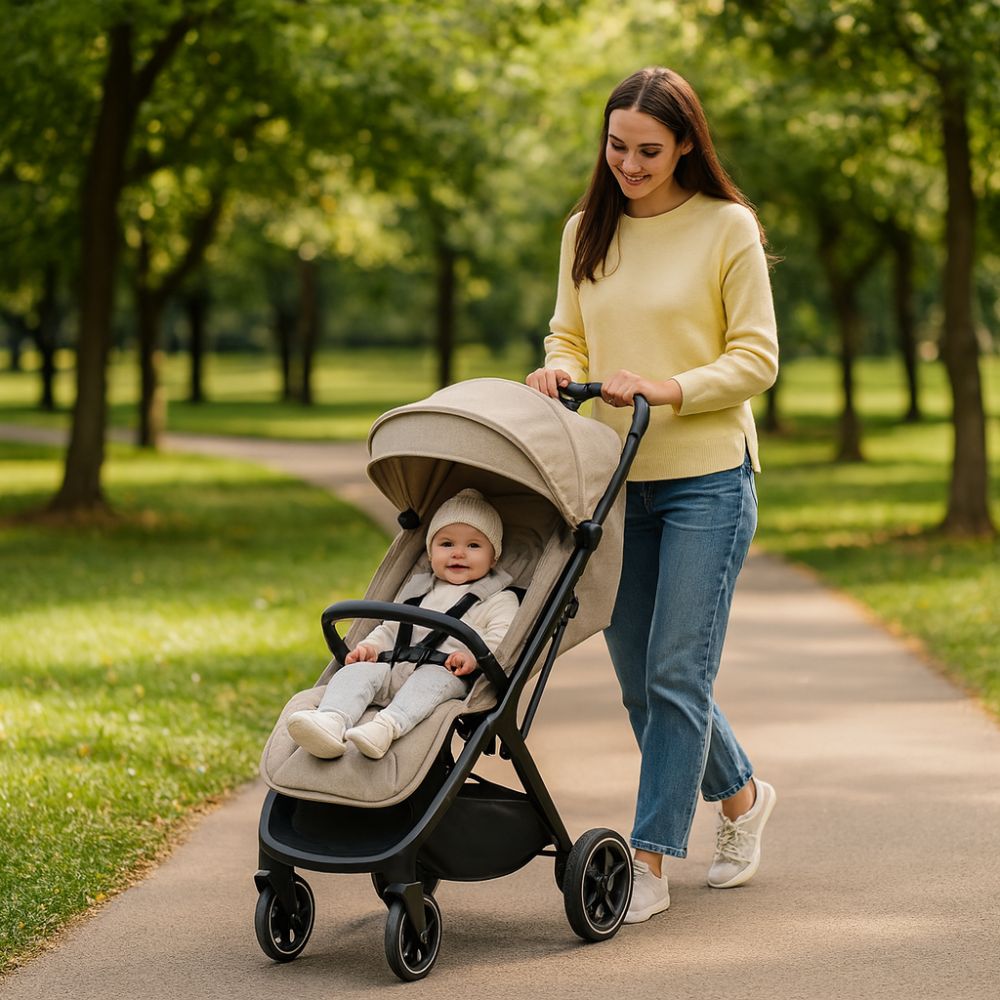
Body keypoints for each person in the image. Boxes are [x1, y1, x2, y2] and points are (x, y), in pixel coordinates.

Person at [526, 66, 779, 924]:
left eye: (649, 151)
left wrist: (669, 388)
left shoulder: (726, 227)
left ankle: (650, 859)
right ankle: (741, 796)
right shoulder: (584, 230)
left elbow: (757, 357)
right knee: (644, 684)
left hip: (708, 475)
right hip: (616, 481)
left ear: (684, 148)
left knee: (678, 672)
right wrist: (560, 365)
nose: (629, 165)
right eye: (617, 146)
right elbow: (568, 328)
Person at [287, 489, 518, 762]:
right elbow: (389, 628)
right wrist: (370, 648)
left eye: (473, 546)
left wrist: (472, 658)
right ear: (430, 554)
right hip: (394, 666)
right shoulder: (418, 590)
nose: (458, 553)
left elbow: (502, 640)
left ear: (494, 557)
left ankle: (385, 727)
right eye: (446, 544)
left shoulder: (499, 599)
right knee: (357, 672)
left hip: (446, 675)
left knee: (429, 681)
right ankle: (331, 720)